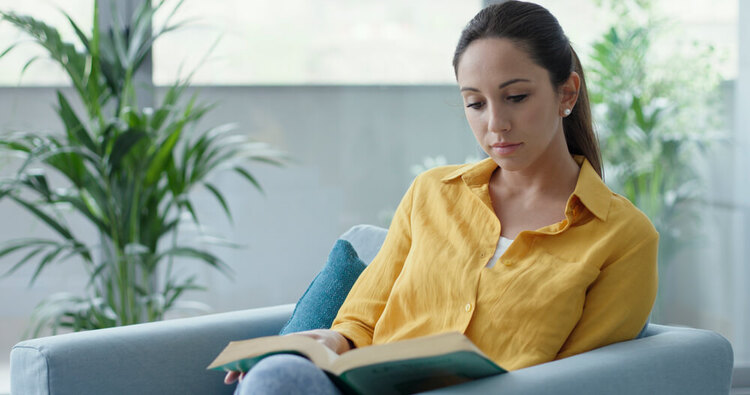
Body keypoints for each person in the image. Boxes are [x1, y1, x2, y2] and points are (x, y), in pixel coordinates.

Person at [226, 1, 658, 393]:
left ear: (566, 92)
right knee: (276, 376)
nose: (496, 124)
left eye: (516, 97)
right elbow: (361, 317)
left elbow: (583, 380)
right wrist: (327, 339)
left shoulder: (623, 237)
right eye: (475, 103)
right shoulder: (431, 192)